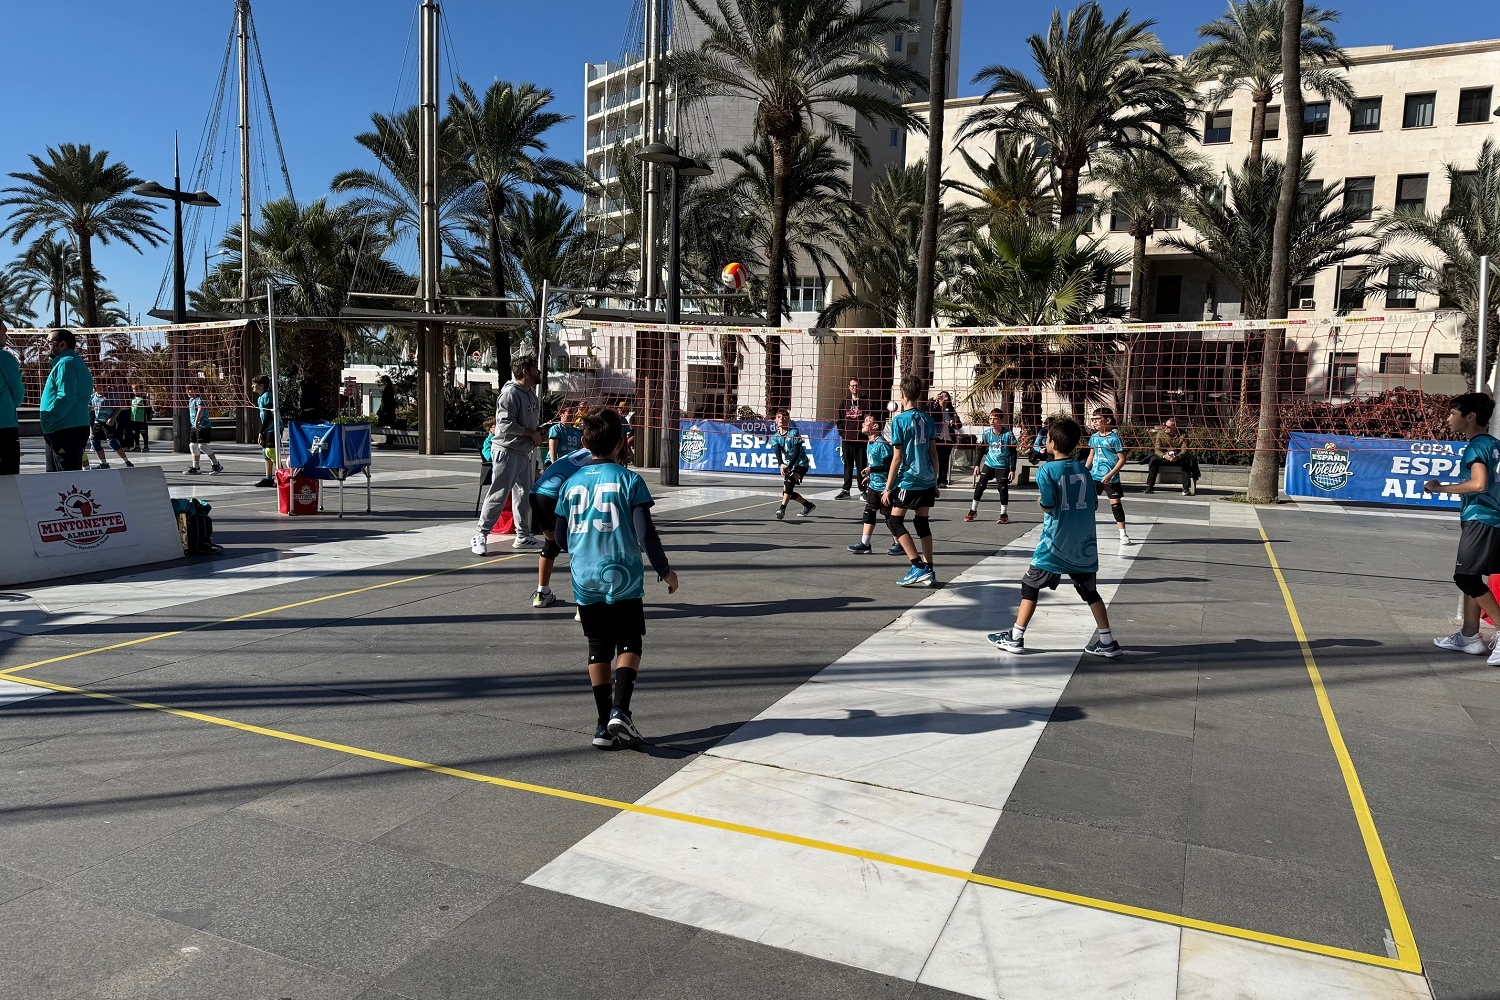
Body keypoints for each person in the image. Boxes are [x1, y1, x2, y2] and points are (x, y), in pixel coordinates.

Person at [553, 407, 678, 749]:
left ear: (583, 442)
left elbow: (561, 539)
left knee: (597, 647)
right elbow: (646, 534)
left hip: (584, 577)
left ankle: (600, 724)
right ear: (622, 444)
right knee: (629, 642)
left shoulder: (570, 483)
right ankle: (620, 710)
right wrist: (665, 570)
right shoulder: (629, 480)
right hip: (622, 576)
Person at [988, 417, 1122, 659]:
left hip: (1055, 543)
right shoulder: (1083, 469)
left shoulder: (1047, 470)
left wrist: (1040, 503)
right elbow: (1092, 505)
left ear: (1050, 442)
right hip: (1083, 544)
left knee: (1030, 585)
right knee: (1090, 592)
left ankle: (1015, 638)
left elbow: (1049, 504)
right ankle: (1107, 640)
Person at [1425, 393, 1500, 663]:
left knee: (1465, 578)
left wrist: (1438, 488)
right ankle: (1469, 636)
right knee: (1473, 574)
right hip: (1492, 518)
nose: (1448, 418)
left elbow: (1479, 484)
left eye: (1453, 413)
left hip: (1481, 517)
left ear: (1470, 417)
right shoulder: (1494, 444)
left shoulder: (1475, 447)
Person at [473, 356, 545, 554]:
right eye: (535, 368)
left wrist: (536, 431)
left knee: (523, 495)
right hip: (506, 451)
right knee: (498, 494)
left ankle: (523, 536)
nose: (538, 372)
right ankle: (480, 534)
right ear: (524, 370)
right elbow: (504, 424)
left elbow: (525, 424)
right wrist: (531, 433)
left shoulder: (530, 394)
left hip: (523, 452)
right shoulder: (510, 393)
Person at [883, 374, 939, 587]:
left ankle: (917, 566)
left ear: (902, 394)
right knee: (921, 522)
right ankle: (929, 570)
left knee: (894, 521)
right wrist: (935, 480)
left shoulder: (899, 420)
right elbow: (933, 453)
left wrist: (888, 488)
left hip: (909, 480)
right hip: (926, 479)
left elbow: (897, 458)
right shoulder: (928, 419)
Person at [528, 440, 595, 608]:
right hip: (556, 496)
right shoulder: (597, 459)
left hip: (537, 494)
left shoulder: (576, 453)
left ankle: (542, 593)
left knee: (551, 543)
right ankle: (584, 604)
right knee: (582, 547)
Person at [39, 329, 94, 472]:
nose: (46, 345)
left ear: (63, 344)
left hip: (65, 429)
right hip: (62, 428)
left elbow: (65, 397)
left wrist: (51, 419)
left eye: (50, 342)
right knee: (56, 481)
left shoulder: (67, 363)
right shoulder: (67, 362)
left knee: (66, 480)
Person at [1085, 407, 1133, 546]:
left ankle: (1123, 534)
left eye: (1097, 419)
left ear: (1108, 420)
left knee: (1116, 505)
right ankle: (1086, 532)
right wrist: (1085, 470)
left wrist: (1110, 474)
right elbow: (1091, 455)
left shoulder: (1115, 438)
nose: (1094, 422)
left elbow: (1122, 459)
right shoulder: (1094, 437)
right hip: (1094, 476)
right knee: (1088, 504)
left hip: (1111, 477)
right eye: (1093, 419)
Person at [847, 414, 892, 554]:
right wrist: (870, 476)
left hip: (886, 487)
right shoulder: (869, 442)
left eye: (867, 421)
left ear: (875, 426)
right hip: (874, 485)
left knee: (890, 518)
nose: (862, 423)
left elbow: (889, 466)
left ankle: (899, 544)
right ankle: (865, 544)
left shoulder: (882, 443)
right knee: (868, 513)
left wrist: (871, 470)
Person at [968, 409, 1018, 524]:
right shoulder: (987, 434)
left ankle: (1003, 514)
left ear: (1001, 420)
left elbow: (1013, 453)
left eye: (995, 418)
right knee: (980, 485)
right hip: (989, 464)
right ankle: (973, 510)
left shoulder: (1008, 435)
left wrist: (1012, 469)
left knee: (1002, 488)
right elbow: (981, 450)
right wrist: (977, 465)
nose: (992, 421)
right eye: (990, 418)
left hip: (1003, 466)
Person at [770, 408, 815, 520]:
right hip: (789, 465)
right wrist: (781, 464)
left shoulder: (794, 433)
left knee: (789, 483)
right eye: (779, 417)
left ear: (788, 420)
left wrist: (789, 467)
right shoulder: (775, 437)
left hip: (801, 464)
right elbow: (777, 452)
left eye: (784, 418)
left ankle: (782, 509)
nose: (782, 420)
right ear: (775, 420)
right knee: (787, 492)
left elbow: (796, 452)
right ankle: (807, 505)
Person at [1146, 417, 1200, 495]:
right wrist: (1164, 456)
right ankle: (1149, 486)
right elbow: (1157, 450)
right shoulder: (1160, 433)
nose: (1165, 427)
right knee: (1154, 460)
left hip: (1178, 456)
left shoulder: (1183, 434)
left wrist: (1177, 457)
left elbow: (1184, 450)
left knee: (1187, 461)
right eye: (1165, 425)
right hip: (1164, 456)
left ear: (1175, 427)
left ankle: (1186, 488)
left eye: (1168, 426)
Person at [836, 377, 867, 500]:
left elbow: (872, 418)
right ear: (849, 387)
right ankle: (846, 489)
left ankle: (863, 490)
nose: (854, 388)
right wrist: (843, 433)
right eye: (852, 385)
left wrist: (867, 435)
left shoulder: (867, 402)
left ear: (861, 387)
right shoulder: (844, 402)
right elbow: (839, 420)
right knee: (848, 465)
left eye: (857, 385)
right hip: (847, 439)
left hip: (861, 440)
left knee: (861, 465)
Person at [185, 387, 225, 475]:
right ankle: (196, 467)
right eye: (186, 390)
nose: (187, 392)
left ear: (196, 390)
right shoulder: (191, 400)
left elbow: (201, 409)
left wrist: (196, 422)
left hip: (203, 426)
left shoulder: (200, 399)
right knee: (192, 445)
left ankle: (216, 465)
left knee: (202, 446)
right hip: (194, 427)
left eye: (189, 390)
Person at [0, 322, 23, 475]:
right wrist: (8, 406)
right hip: (4, 426)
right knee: (9, 478)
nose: (6, 336)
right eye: (4, 332)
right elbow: (18, 391)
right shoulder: (4, 358)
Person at [932, 390, 962, 487]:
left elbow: (959, 425)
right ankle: (933, 480)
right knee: (934, 459)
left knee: (944, 461)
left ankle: (943, 480)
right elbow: (927, 409)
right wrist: (933, 399)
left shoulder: (951, 411)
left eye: (945, 397)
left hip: (948, 439)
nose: (943, 399)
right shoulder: (935, 409)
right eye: (941, 397)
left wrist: (955, 422)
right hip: (937, 438)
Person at [253, 375, 277, 487]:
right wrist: (260, 432)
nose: (252, 386)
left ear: (261, 385)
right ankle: (268, 478)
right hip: (266, 428)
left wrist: (261, 432)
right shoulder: (260, 398)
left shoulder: (268, 395)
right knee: (265, 453)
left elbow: (267, 416)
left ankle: (283, 477)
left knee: (271, 452)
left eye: (254, 384)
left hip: (273, 427)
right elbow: (262, 418)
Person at [130, 386, 152, 452]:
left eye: (136, 388)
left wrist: (148, 416)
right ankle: (137, 446)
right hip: (133, 418)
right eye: (133, 389)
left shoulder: (143, 397)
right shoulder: (132, 397)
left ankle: (146, 446)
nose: (135, 390)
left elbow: (148, 407)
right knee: (135, 433)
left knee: (144, 433)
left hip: (142, 419)